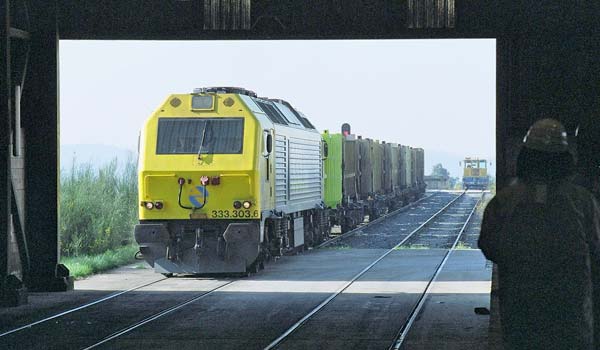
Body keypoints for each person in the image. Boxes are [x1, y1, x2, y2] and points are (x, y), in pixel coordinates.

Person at [478, 118, 600, 350]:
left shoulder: (504, 201)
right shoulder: (583, 201)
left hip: (521, 312)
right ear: (565, 159)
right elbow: (596, 247)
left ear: (526, 156)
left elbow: (489, 244)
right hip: (572, 315)